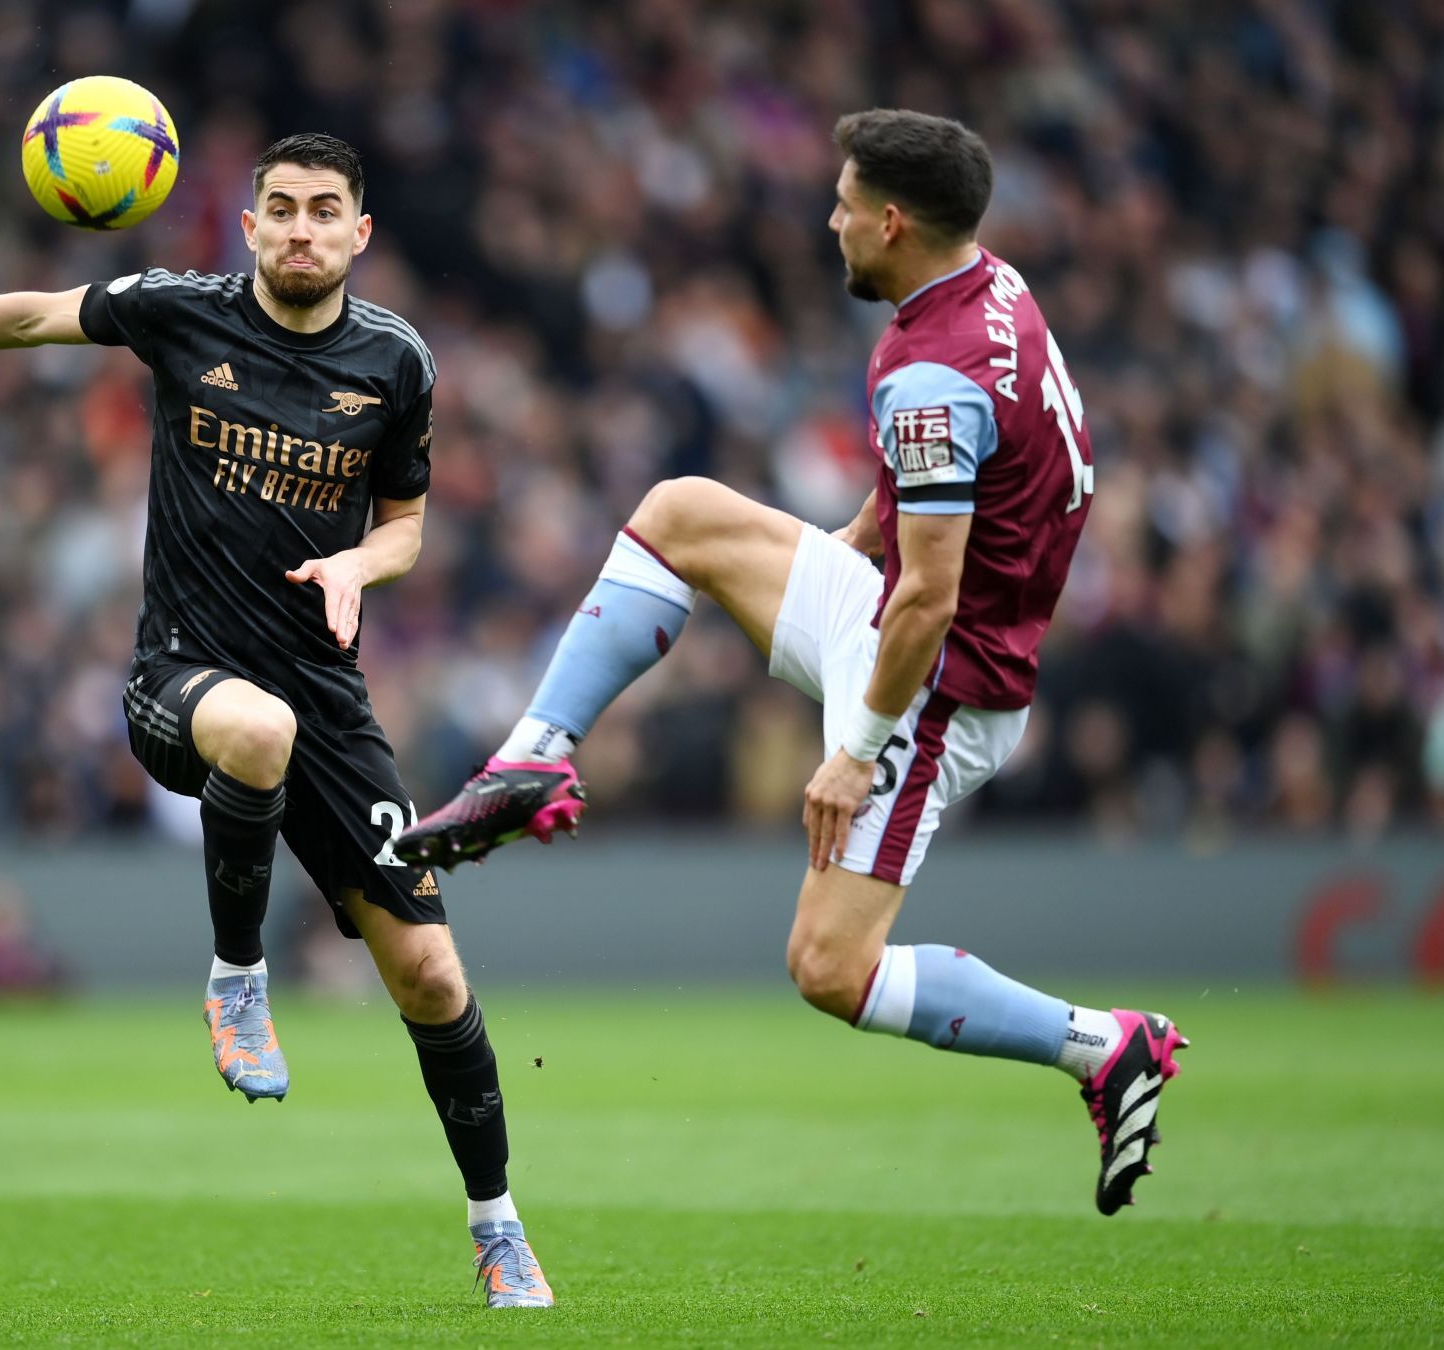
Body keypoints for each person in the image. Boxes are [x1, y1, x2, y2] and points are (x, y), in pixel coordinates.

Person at [0, 133, 553, 1308]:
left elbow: (407, 525)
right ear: (248, 227)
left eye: (322, 211)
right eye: (278, 208)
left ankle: (498, 1229)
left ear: (358, 234)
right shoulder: (183, 310)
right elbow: (34, 317)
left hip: (326, 696)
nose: (298, 228)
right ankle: (238, 979)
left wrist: (358, 568)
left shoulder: (396, 361)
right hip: (181, 676)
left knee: (433, 977)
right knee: (255, 734)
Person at [397, 109, 1188, 1217]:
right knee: (681, 513)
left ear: (895, 220)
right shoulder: (987, 289)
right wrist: (853, 545)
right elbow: (944, 491)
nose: (831, 218)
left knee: (830, 969)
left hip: (934, 689)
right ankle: (533, 759)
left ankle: (1105, 1047)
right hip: (913, 624)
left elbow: (932, 594)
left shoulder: (929, 372)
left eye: (846, 202)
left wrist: (855, 750)